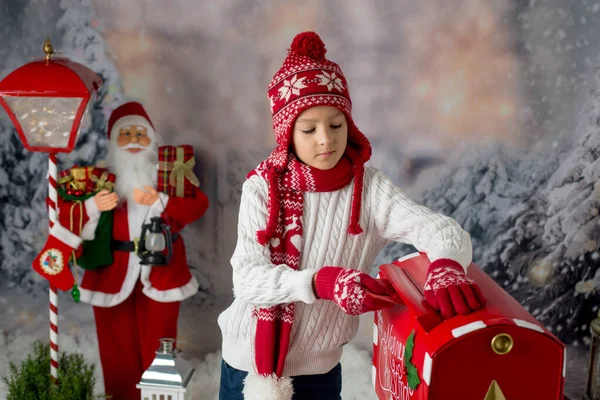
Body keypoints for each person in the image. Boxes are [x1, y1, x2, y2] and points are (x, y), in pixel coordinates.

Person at [217, 32, 486, 400]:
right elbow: (247, 280)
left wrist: (446, 264)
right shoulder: (263, 188)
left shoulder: (369, 189)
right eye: (309, 129)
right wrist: (324, 283)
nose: (325, 139)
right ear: (287, 134)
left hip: (321, 369)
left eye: (336, 124)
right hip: (247, 365)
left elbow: (437, 228)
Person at [60, 102, 209, 399]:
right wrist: (93, 205)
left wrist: (160, 200)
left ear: (152, 138)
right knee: (116, 347)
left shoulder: (167, 177)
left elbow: (198, 204)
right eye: (124, 133)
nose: (132, 139)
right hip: (110, 272)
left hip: (162, 273)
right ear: (113, 140)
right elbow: (66, 213)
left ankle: (158, 396)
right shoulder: (99, 181)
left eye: (139, 133)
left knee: (160, 346)